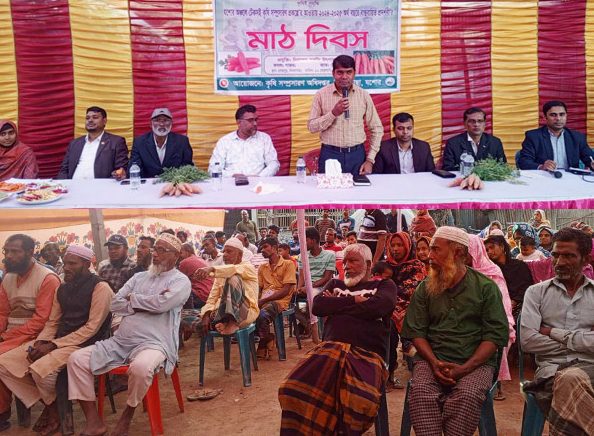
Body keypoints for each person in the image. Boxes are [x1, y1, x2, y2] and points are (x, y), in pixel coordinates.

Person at [67, 234, 190, 436]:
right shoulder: (138, 277)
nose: (155, 254)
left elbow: (163, 304)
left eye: (161, 250)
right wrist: (146, 302)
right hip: (120, 341)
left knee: (141, 368)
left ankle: (127, 414)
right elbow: (115, 303)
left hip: (154, 343)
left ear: (176, 255)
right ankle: (93, 421)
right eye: (155, 250)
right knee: (76, 359)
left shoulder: (181, 281)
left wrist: (133, 299)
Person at [279, 243, 397, 434]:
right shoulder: (336, 284)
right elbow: (318, 306)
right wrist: (354, 300)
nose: (347, 266)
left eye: (353, 261)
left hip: (366, 355)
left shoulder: (383, 285)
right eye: (345, 262)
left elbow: (378, 307)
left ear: (368, 264)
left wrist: (336, 304)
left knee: (357, 400)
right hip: (329, 350)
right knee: (291, 388)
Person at [401, 226, 509, 436]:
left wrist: (465, 368)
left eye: (436, 250)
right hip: (431, 360)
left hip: (476, 363)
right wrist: (434, 362)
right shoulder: (425, 288)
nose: (429, 256)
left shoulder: (486, 288)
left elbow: (494, 337)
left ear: (458, 253)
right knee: (421, 393)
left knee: (466, 396)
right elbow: (416, 333)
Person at [0, 245, 112, 436]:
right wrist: (41, 342)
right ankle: (52, 409)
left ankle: (55, 413)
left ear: (87, 264)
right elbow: (53, 322)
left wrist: (53, 345)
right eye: (65, 263)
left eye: (72, 264)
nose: (66, 267)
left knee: (40, 371)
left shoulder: (101, 288)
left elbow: (91, 328)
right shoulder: (62, 287)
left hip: (86, 344)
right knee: (4, 363)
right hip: (60, 340)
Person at [520, 228, 594, 435]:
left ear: (586, 259)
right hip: (550, 371)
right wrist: (585, 340)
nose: (559, 262)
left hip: (592, 368)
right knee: (569, 379)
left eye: (569, 256)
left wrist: (552, 332)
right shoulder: (536, 293)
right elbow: (528, 341)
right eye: (555, 255)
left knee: (570, 380)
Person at [0, 235, 60, 432]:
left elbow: (41, 321)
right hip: (12, 335)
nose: (9, 256)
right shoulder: (8, 277)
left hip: (38, 337)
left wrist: (5, 337)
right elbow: (3, 313)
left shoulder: (47, 278)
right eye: (6, 251)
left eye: (15, 251)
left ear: (29, 252)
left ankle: (51, 405)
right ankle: (3, 412)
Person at [307, 55, 383, 175]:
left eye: (349, 72)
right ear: (333, 73)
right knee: (330, 187)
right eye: (340, 72)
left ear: (354, 73)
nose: (344, 77)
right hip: (330, 154)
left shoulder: (363, 95)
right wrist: (333, 113)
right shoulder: (321, 95)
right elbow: (312, 127)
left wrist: (370, 160)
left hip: (357, 155)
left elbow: (377, 129)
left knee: (357, 187)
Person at [467, 234, 516, 399]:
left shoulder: (492, 272)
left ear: (475, 251)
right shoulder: (457, 272)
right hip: (466, 322)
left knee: (496, 335)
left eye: (466, 251)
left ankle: (492, 381)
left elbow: (502, 306)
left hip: (491, 320)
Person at [385, 232, 427, 389]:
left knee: (410, 326)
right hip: (389, 309)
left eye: (400, 245)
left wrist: (390, 293)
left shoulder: (417, 266)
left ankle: (421, 379)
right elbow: (379, 288)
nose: (395, 249)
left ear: (408, 246)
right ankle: (388, 375)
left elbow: (411, 290)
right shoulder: (385, 266)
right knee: (387, 329)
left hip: (412, 308)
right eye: (393, 245)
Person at [194, 237, 259, 337]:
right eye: (224, 252)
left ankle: (233, 322)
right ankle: (223, 322)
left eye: (229, 252)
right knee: (194, 320)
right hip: (222, 312)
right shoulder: (221, 273)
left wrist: (211, 269)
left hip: (245, 312)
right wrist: (206, 314)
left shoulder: (248, 267)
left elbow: (234, 269)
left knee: (234, 278)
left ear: (240, 255)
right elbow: (212, 298)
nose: (224, 254)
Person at [517, 100, 594, 171]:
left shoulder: (577, 137)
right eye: (553, 115)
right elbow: (524, 161)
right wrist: (541, 167)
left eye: (562, 114)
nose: (558, 118)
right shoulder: (533, 136)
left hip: (571, 178)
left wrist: (591, 164)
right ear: (545, 117)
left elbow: (589, 158)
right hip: (544, 177)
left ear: (566, 116)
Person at [56, 107, 128, 180]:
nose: (90, 120)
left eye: (95, 117)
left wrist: (115, 176)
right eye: (87, 118)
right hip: (72, 185)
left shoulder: (116, 142)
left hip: (102, 186)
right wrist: (62, 185)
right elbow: (64, 170)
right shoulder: (75, 143)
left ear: (104, 121)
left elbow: (121, 169)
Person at [208, 105, 279, 177]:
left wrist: (259, 177)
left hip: (259, 182)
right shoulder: (225, 141)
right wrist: (232, 176)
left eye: (256, 120)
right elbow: (213, 169)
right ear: (239, 122)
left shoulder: (264, 139)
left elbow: (274, 164)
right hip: (231, 182)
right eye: (250, 120)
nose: (255, 123)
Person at [256, 238, 297, 359]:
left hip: (280, 301)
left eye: (265, 247)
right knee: (246, 314)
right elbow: (259, 289)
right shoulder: (262, 267)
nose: (262, 250)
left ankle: (264, 341)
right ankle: (267, 337)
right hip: (264, 300)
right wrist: (255, 301)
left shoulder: (288, 264)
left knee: (262, 315)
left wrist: (263, 301)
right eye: (261, 248)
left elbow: (286, 290)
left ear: (274, 248)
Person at [129, 108, 194, 178]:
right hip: (148, 183)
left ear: (171, 123)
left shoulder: (182, 142)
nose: (162, 124)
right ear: (150, 124)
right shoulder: (139, 143)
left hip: (174, 183)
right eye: (157, 120)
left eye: (165, 120)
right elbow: (135, 168)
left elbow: (188, 168)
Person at [484, 234, 534, 319]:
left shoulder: (519, 265)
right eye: (487, 250)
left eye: (492, 247)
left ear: (502, 246)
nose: (489, 252)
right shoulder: (490, 270)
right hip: (499, 308)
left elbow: (527, 286)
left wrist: (514, 301)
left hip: (522, 305)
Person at [442, 107, 507, 171]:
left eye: (480, 121)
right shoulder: (453, 143)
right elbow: (448, 169)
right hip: (462, 177)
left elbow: (503, 167)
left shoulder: (495, 142)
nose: (476, 124)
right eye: (472, 121)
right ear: (465, 124)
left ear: (485, 123)